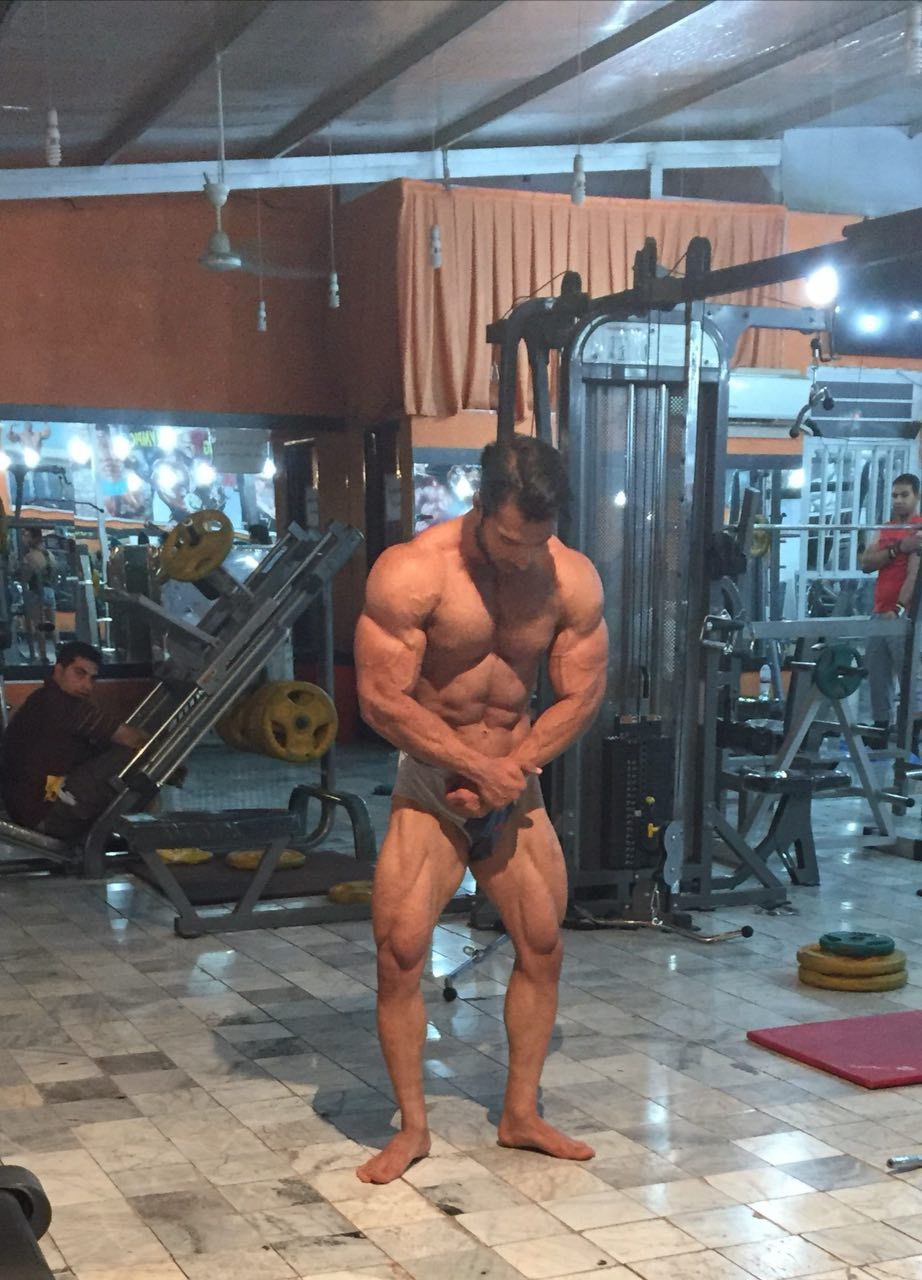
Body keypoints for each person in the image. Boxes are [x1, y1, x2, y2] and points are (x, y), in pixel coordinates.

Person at [354, 434, 608, 1185]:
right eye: (508, 540)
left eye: (538, 540)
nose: (524, 558)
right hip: (434, 784)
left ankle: (520, 1113)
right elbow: (380, 698)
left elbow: (582, 693)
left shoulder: (570, 578)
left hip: (512, 777)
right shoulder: (413, 572)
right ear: (479, 506)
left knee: (543, 943)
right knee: (401, 953)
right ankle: (413, 1127)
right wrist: (471, 767)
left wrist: (512, 770)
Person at [0, 640, 147, 840]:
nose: (87, 685)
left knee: (118, 753)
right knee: (133, 754)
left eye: (92, 679)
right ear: (59, 671)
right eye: (79, 673)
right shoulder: (61, 705)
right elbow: (131, 739)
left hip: (29, 809)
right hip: (44, 813)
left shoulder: (43, 698)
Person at [859, 472, 922, 731]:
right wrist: (897, 549)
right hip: (879, 612)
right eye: (895, 495)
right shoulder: (886, 528)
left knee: (909, 675)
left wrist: (898, 609)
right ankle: (881, 728)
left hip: (903, 614)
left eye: (904, 495)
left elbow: (914, 575)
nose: (898, 500)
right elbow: (866, 563)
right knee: (877, 673)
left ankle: (914, 733)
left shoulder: (918, 530)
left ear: (917, 497)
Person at [16, 528, 57, 663]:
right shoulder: (50, 555)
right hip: (50, 591)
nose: (24, 539)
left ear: (34, 538)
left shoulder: (30, 556)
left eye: (27, 536)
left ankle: (42, 655)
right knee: (52, 625)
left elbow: (26, 577)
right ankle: (60, 652)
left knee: (39, 625)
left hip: (36, 591)